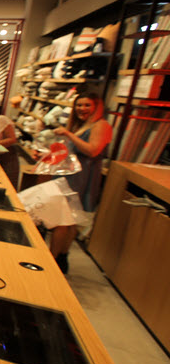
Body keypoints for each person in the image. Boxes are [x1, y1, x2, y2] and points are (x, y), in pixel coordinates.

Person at [49, 92, 112, 273]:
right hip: (69, 174)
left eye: (87, 105)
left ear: (97, 106)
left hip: (80, 176)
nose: (82, 109)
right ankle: (60, 258)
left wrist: (68, 133)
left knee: (64, 219)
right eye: (79, 105)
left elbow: (92, 151)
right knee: (67, 220)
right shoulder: (84, 125)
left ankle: (54, 260)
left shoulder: (101, 125)